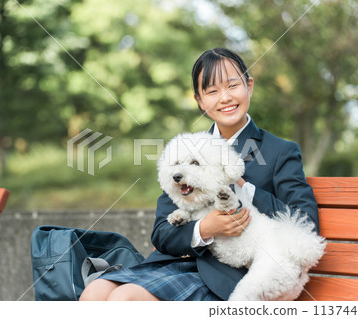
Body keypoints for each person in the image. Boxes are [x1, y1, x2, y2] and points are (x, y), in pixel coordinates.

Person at [79, 47, 319, 301]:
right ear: (200, 101)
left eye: (233, 85)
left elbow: (306, 222)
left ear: (249, 86)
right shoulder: (187, 150)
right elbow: (161, 232)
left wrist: (242, 185)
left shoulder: (279, 151)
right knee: (93, 293)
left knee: (124, 299)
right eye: (212, 91)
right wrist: (204, 228)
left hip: (229, 274)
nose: (224, 98)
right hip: (174, 262)